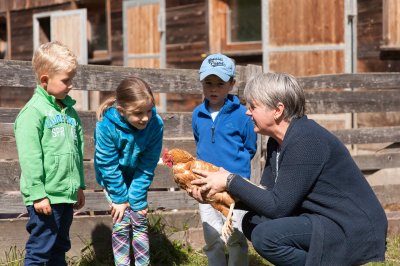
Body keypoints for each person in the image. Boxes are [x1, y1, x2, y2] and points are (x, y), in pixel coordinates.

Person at [191, 72, 388, 266]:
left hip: (351, 227)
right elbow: (266, 198)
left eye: (253, 106)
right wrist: (216, 196)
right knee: (252, 222)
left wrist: (230, 180)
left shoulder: (306, 140)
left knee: (265, 236)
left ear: (278, 110)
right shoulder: (276, 142)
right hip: (321, 219)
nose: (247, 112)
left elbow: (277, 208)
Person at [14, 41, 86, 265]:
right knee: (40, 249)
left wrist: (80, 185)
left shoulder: (70, 112)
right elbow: (30, 157)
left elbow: (77, 151)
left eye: (71, 79)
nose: (70, 85)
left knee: (60, 247)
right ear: (45, 80)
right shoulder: (33, 113)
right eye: (66, 80)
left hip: (66, 193)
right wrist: (38, 194)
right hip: (45, 196)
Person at [192, 53, 257, 266]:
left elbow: (250, 147)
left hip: (235, 185)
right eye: (208, 83)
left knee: (236, 235)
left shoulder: (242, 115)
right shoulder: (197, 114)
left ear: (231, 84)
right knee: (212, 235)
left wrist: (235, 174)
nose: (213, 88)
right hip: (205, 184)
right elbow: (199, 141)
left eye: (220, 83)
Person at [94, 77, 164, 266]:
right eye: (138, 113)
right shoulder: (105, 127)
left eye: (149, 111)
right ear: (121, 111)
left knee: (139, 219)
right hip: (113, 179)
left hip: (137, 177)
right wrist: (120, 199)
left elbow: (148, 164)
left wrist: (137, 198)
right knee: (122, 221)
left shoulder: (155, 125)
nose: (145, 118)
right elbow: (107, 165)